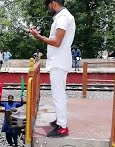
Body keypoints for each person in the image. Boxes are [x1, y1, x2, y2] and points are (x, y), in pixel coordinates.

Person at [29, 0, 75, 137]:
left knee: (58, 95)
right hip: (60, 61)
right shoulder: (65, 16)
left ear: (53, 3)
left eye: (48, 5)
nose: (48, 8)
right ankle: (60, 120)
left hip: (58, 62)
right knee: (59, 94)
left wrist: (38, 37)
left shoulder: (62, 18)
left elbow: (57, 42)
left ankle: (62, 127)